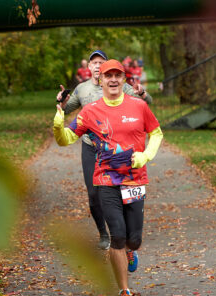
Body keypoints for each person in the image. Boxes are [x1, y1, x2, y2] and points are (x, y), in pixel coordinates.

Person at [53, 59, 163, 296]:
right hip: (105, 180)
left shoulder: (138, 106)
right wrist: (58, 123)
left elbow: (156, 133)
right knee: (118, 236)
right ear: (99, 80)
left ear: (123, 80)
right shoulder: (90, 111)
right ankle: (124, 291)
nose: (113, 80)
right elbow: (66, 138)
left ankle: (130, 251)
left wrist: (145, 156)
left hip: (134, 179)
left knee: (133, 239)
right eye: (107, 76)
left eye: (117, 75)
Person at [57, 50, 153, 251]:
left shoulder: (120, 85)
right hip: (91, 148)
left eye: (102, 62)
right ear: (90, 68)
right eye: (94, 63)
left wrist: (142, 93)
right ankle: (104, 232)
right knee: (94, 193)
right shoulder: (82, 89)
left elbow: (144, 105)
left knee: (123, 188)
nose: (98, 65)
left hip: (118, 149)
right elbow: (67, 109)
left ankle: (127, 234)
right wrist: (61, 103)